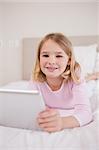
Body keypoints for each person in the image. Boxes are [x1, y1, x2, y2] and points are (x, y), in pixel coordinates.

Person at [29, 33, 93, 133]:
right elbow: (32, 107)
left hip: (77, 80)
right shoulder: (35, 78)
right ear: (39, 58)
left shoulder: (75, 78)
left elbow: (86, 113)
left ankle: (92, 76)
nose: (51, 61)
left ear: (69, 60)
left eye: (59, 56)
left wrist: (62, 122)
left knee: (87, 80)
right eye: (45, 55)